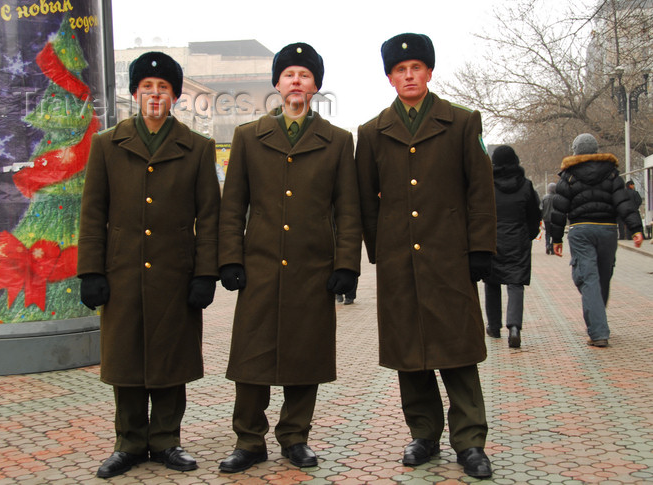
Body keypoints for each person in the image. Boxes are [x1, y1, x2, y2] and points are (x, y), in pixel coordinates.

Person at [355, 33, 497, 479]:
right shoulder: (373, 132)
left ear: (429, 72)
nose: (409, 75)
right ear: (390, 77)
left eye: (416, 67)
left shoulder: (460, 122)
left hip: (449, 258)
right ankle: (424, 434)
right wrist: (381, 251)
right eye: (400, 69)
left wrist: (479, 249)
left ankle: (470, 441)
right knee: (408, 354)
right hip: (400, 262)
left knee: (458, 351)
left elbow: (480, 190)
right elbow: (366, 202)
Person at [217, 42, 362, 473]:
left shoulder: (337, 141)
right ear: (277, 84)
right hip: (259, 265)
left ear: (316, 85)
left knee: (306, 354)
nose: (296, 81)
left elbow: (348, 210)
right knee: (250, 356)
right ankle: (248, 439)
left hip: (313, 268)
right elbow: (232, 205)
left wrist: (346, 265)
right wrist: (230, 258)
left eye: (304, 74)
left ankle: (295, 437)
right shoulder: (248, 136)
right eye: (288, 74)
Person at [77, 52, 221, 479]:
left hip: (175, 273)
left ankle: (167, 441)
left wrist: (205, 273)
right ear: (135, 93)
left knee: (170, 358)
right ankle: (129, 442)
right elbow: (92, 212)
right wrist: (92, 271)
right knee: (125, 358)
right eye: (147, 87)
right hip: (121, 271)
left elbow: (209, 215)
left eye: (163, 87)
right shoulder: (107, 144)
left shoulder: (196, 147)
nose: (155, 94)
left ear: (175, 96)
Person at [551, 133, 643, 348]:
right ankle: (598, 321)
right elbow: (623, 203)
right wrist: (636, 229)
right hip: (608, 230)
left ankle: (598, 330)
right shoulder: (611, 174)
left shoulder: (569, 176)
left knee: (587, 277)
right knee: (603, 275)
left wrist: (556, 239)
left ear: (575, 151)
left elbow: (559, 208)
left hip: (580, 230)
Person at [483, 145, 541, 348]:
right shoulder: (526, 185)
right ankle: (514, 327)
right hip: (518, 240)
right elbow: (534, 214)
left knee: (492, 283)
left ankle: (493, 325)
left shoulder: (487, 185)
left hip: (493, 240)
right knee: (515, 284)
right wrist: (529, 234)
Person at [541, 182, 557, 254]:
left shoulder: (545, 197)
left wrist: (541, 216)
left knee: (547, 232)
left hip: (546, 218)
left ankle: (547, 245)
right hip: (555, 218)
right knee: (555, 233)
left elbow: (541, 208)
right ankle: (552, 247)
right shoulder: (557, 197)